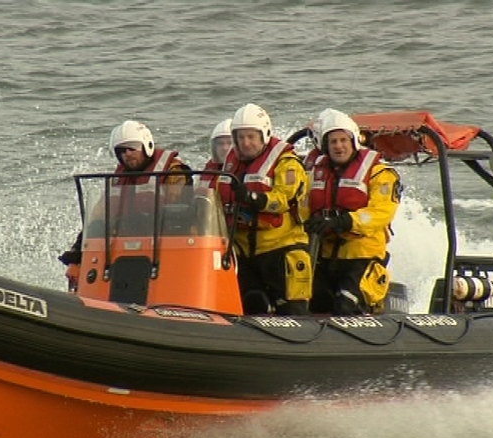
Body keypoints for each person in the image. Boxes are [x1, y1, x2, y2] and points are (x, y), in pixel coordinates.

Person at [58, 120, 191, 290]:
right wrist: (77, 255)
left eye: (132, 148)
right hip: (127, 248)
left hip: (167, 244)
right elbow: (99, 218)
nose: (127, 154)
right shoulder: (117, 179)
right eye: (121, 150)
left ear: (146, 145)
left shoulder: (173, 172)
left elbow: (181, 215)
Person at [216, 103, 312, 315]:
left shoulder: (287, 163)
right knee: (251, 303)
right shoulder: (229, 164)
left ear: (264, 134)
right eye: (240, 138)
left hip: (279, 248)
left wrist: (252, 197)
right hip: (242, 251)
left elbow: (283, 199)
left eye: (251, 137)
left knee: (291, 310)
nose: (246, 143)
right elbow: (214, 196)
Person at [304, 109, 402, 315]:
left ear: (354, 141)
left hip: (362, 255)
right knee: (312, 301)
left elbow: (381, 212)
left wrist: (345, 221)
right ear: (325, 146)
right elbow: (303, 203)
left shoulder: (380, 173)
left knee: (346, 303)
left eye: (343, 140)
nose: (339, 146)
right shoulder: (315, 173)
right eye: (333, 142)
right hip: (326, 255)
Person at [198, 118, 232, 189]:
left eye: (230, 143)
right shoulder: (209, 170)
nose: (225, 148)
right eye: (220, 144)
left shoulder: (243, 170)